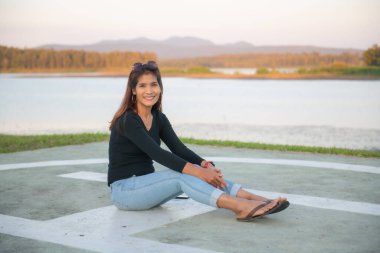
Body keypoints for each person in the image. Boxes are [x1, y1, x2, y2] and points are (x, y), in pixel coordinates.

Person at [107, 61, 289, 221]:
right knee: (182, 174)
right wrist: (200, 173)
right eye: (142, 86)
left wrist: (205, 165)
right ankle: (239, 207)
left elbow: (179, 149)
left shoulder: (159, 118)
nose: (149, 91)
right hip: (124, 191)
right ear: (133, 90)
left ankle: (255, 199)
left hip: (146, 187)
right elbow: (158, 154)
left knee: (195, 170)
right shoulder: (128, 120)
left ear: (160, 88)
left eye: (154, 85)